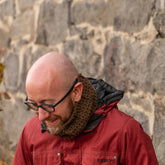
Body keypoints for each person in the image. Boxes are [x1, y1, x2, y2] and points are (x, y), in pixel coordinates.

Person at [13, 52, 158, 165]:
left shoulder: (124, 132)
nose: (41, 116)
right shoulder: (31, 132)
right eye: (34, 105)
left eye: (48, 105)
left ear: (76, 92)